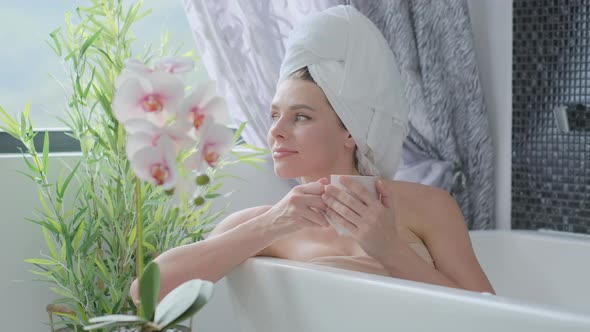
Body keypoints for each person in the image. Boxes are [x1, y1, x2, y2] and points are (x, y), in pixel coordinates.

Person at [130, 5, 494, 304]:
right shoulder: (265, 223)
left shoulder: (427, 205)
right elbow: (147, 293)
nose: (276, 131)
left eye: (300, 116)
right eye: (274, 115)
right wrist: (273, 223)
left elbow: (494, 316)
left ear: (350, 129)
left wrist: (389, 249)